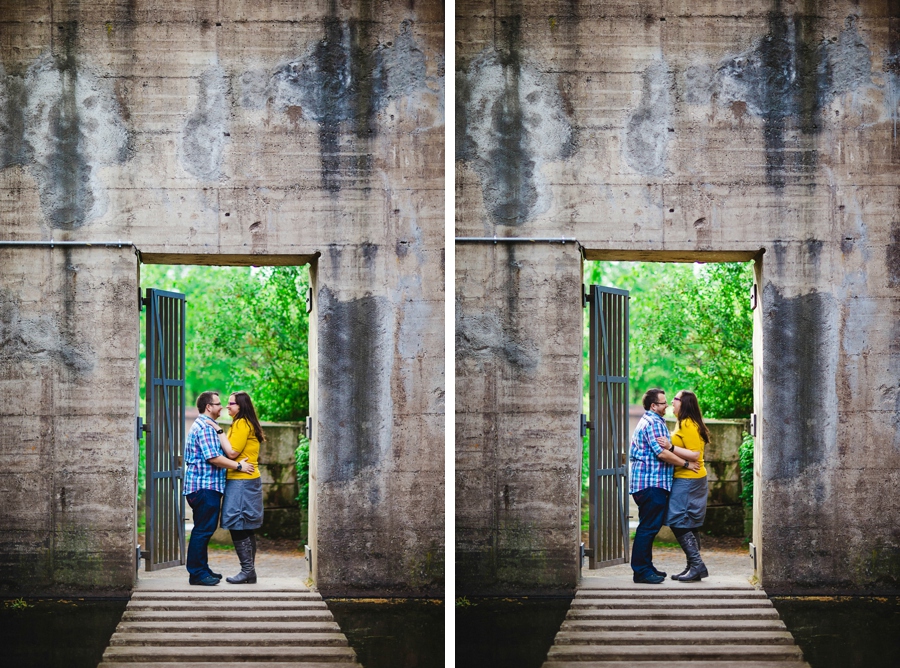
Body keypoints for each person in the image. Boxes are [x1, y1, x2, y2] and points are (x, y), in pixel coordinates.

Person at [629, 388, 700, 584]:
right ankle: (641, 571)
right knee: (648, 528)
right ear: (653, 406)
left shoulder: (651, 420)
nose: (667, 405)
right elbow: (662, 453)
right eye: (663, 402)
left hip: (648, 484)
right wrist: (686, 464)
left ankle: (647, 567)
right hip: (651, 484)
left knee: (649, 526)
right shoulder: (653, 423)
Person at [184, 390, 254, 586]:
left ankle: (202, 569)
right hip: (204, 487)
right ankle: (197, 573)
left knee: (204, 530)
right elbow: (213, 458)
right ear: (208, 407)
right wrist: (239, 466)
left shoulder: (207, 426)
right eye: (218, 403)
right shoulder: (205, 428)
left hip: (204, 487)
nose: (221, 406)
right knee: (202, 531)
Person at [656, 390, 710, 582]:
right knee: (689, 522)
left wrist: (670, 447)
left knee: (677, 519)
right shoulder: (683, 422)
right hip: (688, 478)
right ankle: (692, 567)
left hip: (689, 479)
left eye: (675, 399)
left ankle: (697, 565)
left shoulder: (688, 423)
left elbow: (695, 454)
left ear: (684, 403)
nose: (671, 402)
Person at [219, 391, 266, 584]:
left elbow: (232, 453)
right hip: (248, 480)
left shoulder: (240, 423)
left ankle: (247, 571)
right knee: (245, 525)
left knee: (237, 523)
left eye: (232, 404)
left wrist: (219, 433)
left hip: (241, 481)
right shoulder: (246, 423)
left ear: (242, 406)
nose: (228, 406)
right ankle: (249, 572)